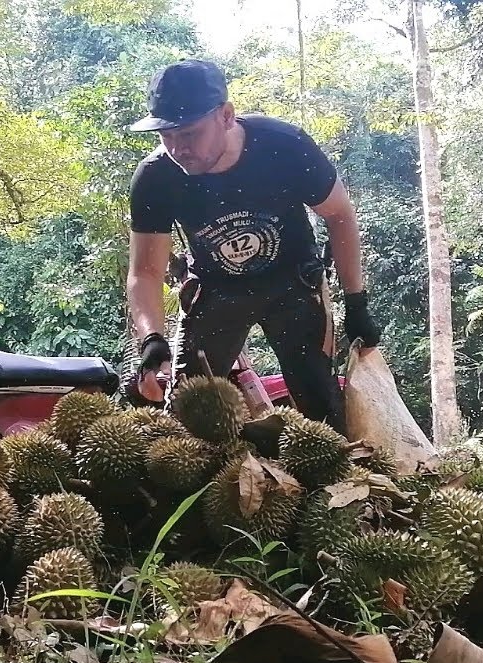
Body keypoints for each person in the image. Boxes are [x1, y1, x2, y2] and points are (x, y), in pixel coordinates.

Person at [122, 58, 379, 435]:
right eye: (167, 136)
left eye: (189, 134)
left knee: (322, 410)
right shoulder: (156, 177)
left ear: (226, 116)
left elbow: (339, 215)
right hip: (215, 290)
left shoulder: (284, 146)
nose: (178, 149)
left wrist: (356, 303)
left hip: (293, 283)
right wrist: (152, 339)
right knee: (190, 415)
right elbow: (145, 271)